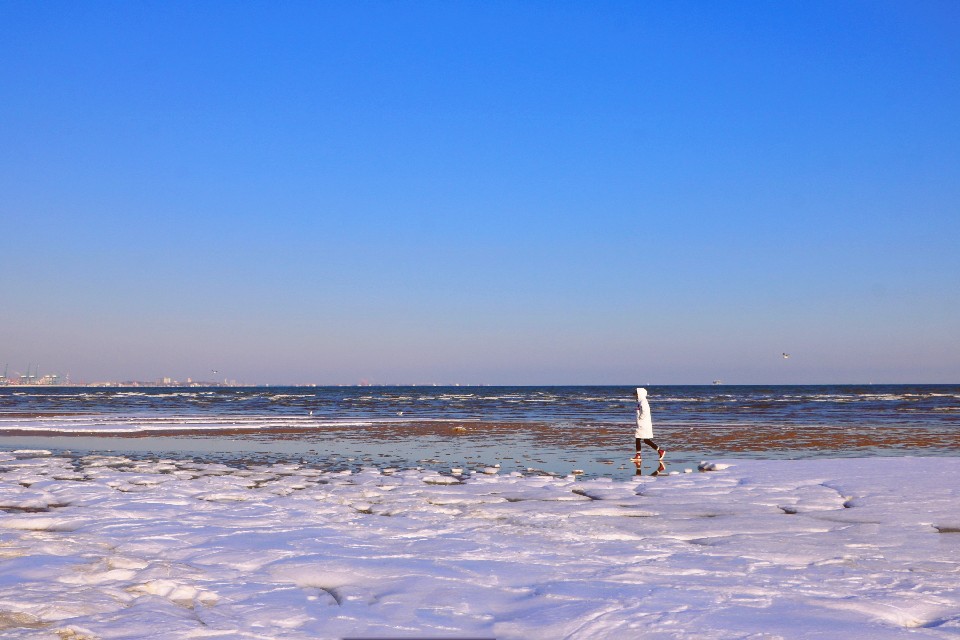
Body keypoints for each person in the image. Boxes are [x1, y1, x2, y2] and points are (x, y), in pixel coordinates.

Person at [632, 387, 665, 462]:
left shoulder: (643, 402)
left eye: (636, 394)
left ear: (640, 394)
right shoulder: (640, 402)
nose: (635, 395)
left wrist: (640, 418)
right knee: (645, 440)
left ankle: (638, 455)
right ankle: (660, 451)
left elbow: (644, 412)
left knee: (638, 438)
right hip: (641, 423)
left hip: (643, 423)